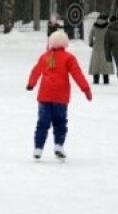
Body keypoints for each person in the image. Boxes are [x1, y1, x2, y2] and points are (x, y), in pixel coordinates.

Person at [26, 31, 92, 161]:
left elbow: (36, 70)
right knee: (60, 122)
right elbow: (77, 74)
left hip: (44, 96)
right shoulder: (69, 57)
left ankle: (38, 148)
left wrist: (31, 84)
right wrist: (86, 89)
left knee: (42, 123)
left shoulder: (45, 56)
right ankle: (58, 145)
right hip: (61, 96)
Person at [88, 12, 114, 85]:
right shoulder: (108, 26)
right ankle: (106, 80)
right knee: (105, 63)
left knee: (96, 63)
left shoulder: (94, 25)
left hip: (96, 46)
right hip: (106, 46)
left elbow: (90, 35)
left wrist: (91, 43)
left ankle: (96, 80)